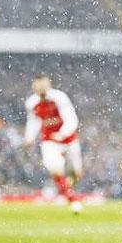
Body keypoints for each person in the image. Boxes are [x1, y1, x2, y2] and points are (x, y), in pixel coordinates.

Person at [23, 74, 83, 213]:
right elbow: (34, 121)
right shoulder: (32, 103)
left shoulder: (60, 98)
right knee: (53, 167)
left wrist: (62, 133)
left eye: (43, 85)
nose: (40, 89)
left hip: (69, 139)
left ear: (48, 85)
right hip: (49, 140)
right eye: (37, 86)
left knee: (77, 173)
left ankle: (69, 184)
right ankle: (72, 199)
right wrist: (29, 137)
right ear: (34, 88)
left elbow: (71, 118)